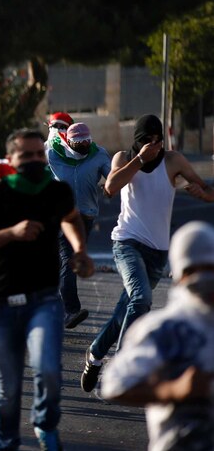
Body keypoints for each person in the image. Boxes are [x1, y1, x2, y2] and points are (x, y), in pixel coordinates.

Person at [0, 129, 95, 451]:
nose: (35, 160)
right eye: (26, 156)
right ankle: (6, 443)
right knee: (7, 389)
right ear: (10, 160)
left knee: (48, 369)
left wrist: (79, 250)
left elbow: (71, 218)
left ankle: (45, 424)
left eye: (38, 154)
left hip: (43, 299)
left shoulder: (56, 191)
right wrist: (11, 233)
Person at [81, 114, 214, 393]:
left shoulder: (173, 160)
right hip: (127, 242)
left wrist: (204, 195)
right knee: (141, 299)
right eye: (147, 141)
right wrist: (139, 159)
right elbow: (111, 186)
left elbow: (205, 188)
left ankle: (94, 355)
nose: (153, 146)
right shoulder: (123, 158)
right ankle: (122, 364)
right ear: (137, 141)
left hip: (158, 251)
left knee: (125, 311)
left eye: (157, 140)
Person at [101, 221, 214, 451]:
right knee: (137, 300)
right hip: (178, 443)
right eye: (195, 270)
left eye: (210, 269)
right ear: (181, 274)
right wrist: (173, 390)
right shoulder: (163, 329)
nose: (204, 280)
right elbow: (114, 384)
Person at [46, 122, 111, 329]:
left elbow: (112, 177)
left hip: (86, 216)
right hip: (61, 215)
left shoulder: (98, 154)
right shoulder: (53, 153)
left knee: (65, 260)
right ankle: (71, 310)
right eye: (79, 141)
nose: (84, 144)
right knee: (69, 259)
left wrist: (112, 186)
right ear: (68, 141)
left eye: (87, 140)